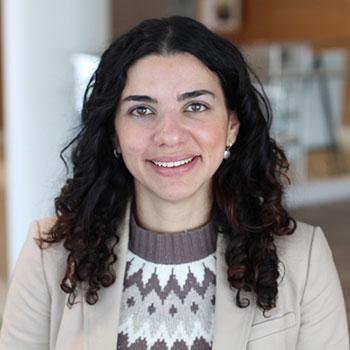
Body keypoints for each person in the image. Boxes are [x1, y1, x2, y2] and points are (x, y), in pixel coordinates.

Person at [0, 16, 348, 350]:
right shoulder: (49, 258)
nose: (168, 135)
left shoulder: (303, 259)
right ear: (113, 134)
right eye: (142, 110)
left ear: (231, 126)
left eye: (195, 106)